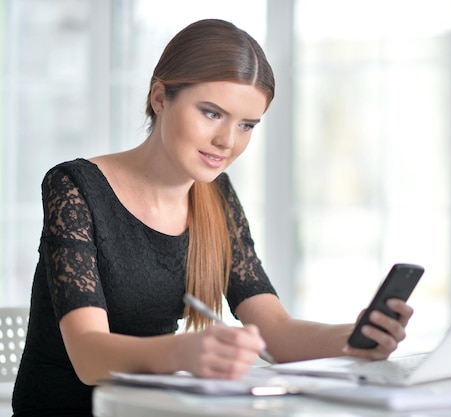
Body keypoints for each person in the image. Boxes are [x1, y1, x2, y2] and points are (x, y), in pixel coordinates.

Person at [11, 18, 414, 417]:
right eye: (211, 113)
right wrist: (185, 352)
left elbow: (275, 333)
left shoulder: (215, 197)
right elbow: (89, 357)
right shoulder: (73, 186)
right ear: (160, 98)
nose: (228, 142)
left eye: (246, 125)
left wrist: (354, 337)